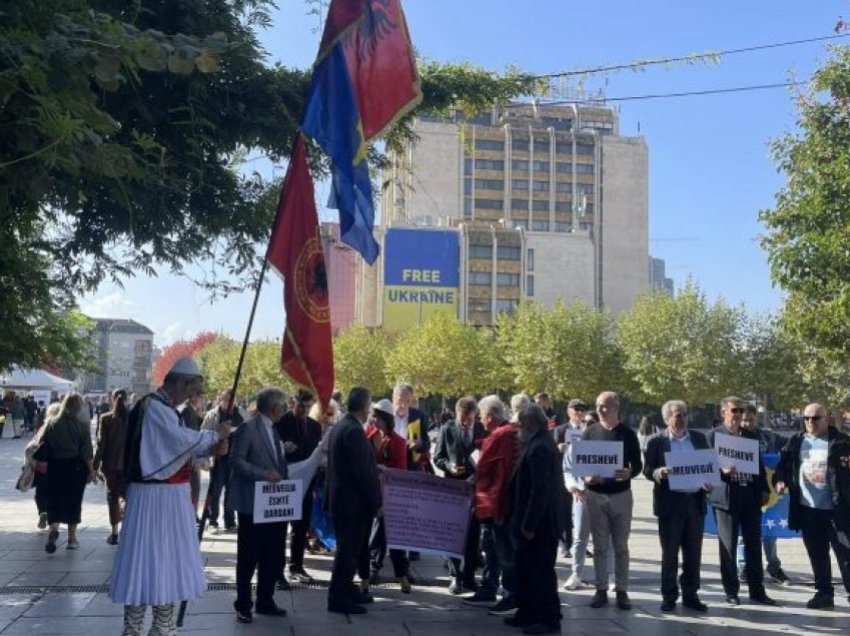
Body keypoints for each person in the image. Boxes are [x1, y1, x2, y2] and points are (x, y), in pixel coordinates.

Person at [109, 357, 230, 636]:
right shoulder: (154, 406)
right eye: (192, 390)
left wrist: (211, 450)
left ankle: (162, 627)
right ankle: (137, 628)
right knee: (147, 561)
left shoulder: (161, 407)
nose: (193, 397)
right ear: (179, 382)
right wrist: (213, 437)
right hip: (155, 499)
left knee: (168, 561)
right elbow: (176, 441)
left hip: (169, 498)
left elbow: (174, 450)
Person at [774, 403, 850, 609]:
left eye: (815, 418)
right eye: (806, 418)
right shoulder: (796, 441)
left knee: (846, 555)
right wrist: (780, 481)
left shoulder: (842, 442)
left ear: (827, 419)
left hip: (837, 511)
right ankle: (824, 593)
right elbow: (782, 467)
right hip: (808, 509)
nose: (810, 422)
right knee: (817, 554)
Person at [705, 396, 777, 606]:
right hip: (727, 496)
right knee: (729, 546)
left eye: (740, 411)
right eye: (734, 410)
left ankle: (757, 590)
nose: (738, 415)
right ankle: (731, 591)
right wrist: (722, 470)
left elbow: (759, 467)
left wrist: (763, 489)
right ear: (723, 413)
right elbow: (705, 466)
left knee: (754, 545)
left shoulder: (750, 436)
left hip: (750, 496)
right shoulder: (713, 437)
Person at [227, 387, 289, 624]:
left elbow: (277, 460)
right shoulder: (248, 428)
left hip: (273, 504)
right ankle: (243, 604)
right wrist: (263, 474)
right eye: (283, 405)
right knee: (248, 557)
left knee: (272, 555)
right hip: (252, 504)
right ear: (274, 407)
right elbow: (235, 460)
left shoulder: (274, 429)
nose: (285, 409)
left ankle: (266, 599)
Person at [643, 400, 710, 612]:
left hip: (694, 501)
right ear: (666, 419)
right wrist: (658, 472)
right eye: (676, 415)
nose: (681, 419)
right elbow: (647, 469)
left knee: (693, 553)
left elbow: (707, 466)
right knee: (670, 553)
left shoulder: (699, 439)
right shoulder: (656, 441)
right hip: (670, 503)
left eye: (684, 415)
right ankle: (669, 595)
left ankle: (691, 595)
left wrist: (709, 482)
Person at [505, 404, 566, 635]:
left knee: (541, 573)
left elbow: (540, 491)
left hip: (539, 524)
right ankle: (527, 613)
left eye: (520, 425)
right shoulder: (537, 441)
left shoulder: (540, 446)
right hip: (534, 522)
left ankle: (549, 620)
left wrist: (529, 525)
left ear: (530, 424)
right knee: (527, 571)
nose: (517, 430)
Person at [583, 391, 642, 610]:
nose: (600, 409)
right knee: (599, 546)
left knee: (621, 546)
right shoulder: (589, 433)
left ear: (616, 408)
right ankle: (600, 588)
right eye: (598, 405)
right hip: (595, 494)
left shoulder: (627, 433)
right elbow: (582, 462)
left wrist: (630, 472)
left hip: (621, 496)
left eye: (605, 406)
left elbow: (637, 464)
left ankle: (622, 590)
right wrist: (586, 476)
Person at [325, 387, 381, 615]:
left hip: (342, 500)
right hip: (351, 504)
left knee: (351, 550)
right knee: (348, 553)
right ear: (366, 406)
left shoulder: (342, 425)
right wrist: (377, 503)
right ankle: (338, 599)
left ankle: (347, 590)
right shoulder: (354, 431)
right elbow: (362, 473)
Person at [465, 395, 520, 617]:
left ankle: (510, 596)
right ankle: (489, 588)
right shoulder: (502, 434)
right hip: (491, 502)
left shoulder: (504, 435)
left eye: (481, 416)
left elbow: (503, 473)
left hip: (499, 504)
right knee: (491, 547)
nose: (480, 421)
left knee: (504, 551)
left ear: (490, 416)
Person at [434, 395, 487, 594]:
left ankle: (470, 576)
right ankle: (455, 576)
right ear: (456, 414)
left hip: (475, 488)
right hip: (453, 488)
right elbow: (438, 457)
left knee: (474, 534)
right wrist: (449, 466)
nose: (465, 423)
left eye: (469, 420)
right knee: (453, 533)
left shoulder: (482, 430)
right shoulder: (447, 429)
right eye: (462, 419)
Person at [737, 403, 790, 585]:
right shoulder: (732, 438)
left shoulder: (768, 437)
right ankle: (744, 567)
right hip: (743, 491)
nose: (747, 424)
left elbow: (789, 445)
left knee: (770, 531)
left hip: (769, 493)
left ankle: (773, 566)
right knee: (743, 535)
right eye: (744, 420)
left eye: (751, 420)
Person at [363, 399, 412, 592]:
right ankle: (376, 572)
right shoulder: (369, 435)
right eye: (372, 416)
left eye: (376, 417)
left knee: (390, 535)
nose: (373, 420)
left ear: (385, 419)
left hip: (390, 495)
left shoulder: (398, 442)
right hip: (372, 492)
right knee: (377, 533)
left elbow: (401, 471)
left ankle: (397, 574)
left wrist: (385, 470)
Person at [275, 389, 322, 586]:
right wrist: (281, 448)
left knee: (301, 527)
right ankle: (277, 571)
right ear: (293, 403)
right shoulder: (280, 423)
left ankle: (296, 566)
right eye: (301, 406)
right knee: (279, 528)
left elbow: (315, 455)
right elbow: (271, 451)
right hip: (285, 483)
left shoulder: (314, 426)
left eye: (308, 407)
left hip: (306, 483)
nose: (304, 410)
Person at [40, 393, 96, 553]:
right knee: (74, 502)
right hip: (75, 468)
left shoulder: (51, 423)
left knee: (54, 500)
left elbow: (43, 445)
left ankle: (53, 530)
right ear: (79, 407)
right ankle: (72, 539)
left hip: (55, 467)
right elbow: (87, 452)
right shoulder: (82, 425)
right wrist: (91, 471)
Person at [562, 409, 599, 590]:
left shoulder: (608, 445)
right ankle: (576, 574)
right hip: (581, 496)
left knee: (604, 539)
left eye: (591, 422)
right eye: (585, 421)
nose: (587, 425)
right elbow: (567, 470)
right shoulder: (575, 447)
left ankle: (606, 577)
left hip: (603, 496)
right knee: (579, 538)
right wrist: (574, 488)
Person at [202, 389, 244, 533]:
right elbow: (203, 435)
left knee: (231, 491)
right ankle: (212, 521)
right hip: (219, 459)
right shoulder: (212, 415)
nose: (228, 403)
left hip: (235, 459)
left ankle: (230, 521)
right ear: (220, 399)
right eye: (225, 400)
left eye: (231, 400)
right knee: (215, 490)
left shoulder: (241, 415)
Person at [93, 389, 130, 545]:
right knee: (128, 497)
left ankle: (114, 533)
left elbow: (101, 444)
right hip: (129, 467)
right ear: (127, 400)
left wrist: (94, 466)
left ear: (112, 399)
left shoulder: (106, 419)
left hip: (111, 466)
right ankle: (126, 529)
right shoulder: (133, 418)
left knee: (112, 497)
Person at [554, 398, 586, 558]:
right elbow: (552, 451)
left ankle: (580, 544)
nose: (579, 413)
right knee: (565, 510)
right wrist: (559, 448)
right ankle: (565, 543)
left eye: (581, 410)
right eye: (576, 410)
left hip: (582, 475)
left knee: (582, 511)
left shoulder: (588, 430)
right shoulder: (560, 430)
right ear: (569, 412)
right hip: (566, 475)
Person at [25, 402, 60, 529]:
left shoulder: (44, 427)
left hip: (42, 465)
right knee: (55, 492)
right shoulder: (63, 428)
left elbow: (33, 444)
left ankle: (43, 512)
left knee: (40, 491)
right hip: (58, 466)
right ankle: (52, 516)